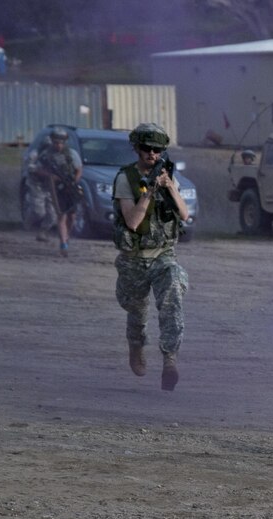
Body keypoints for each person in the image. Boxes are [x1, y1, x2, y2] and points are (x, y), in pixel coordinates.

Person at [111, 122, 190, 390]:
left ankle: (170, 360)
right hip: (134, 257)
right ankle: (136, 346)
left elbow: (184, 214)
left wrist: (170, 187)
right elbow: (132, 221)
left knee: (172, 298)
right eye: (147, 149)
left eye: (157, 150)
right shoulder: (126, 179)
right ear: (136, 149)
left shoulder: (166, 175)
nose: (152, 155)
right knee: (137, 311)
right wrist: (149, 193)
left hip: (163, 254)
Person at [32, 128, 83, 256]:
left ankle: (66, 236)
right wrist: (50, 176)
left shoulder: (72, 154)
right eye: (56, 142)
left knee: (72, 217)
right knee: (61, 215)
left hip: (70, 188)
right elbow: (37, 169)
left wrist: (74, 182)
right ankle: (63, 244)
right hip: (56, 189)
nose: (58, 145)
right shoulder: (46, 155)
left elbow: (78, 169)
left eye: (61, 142)